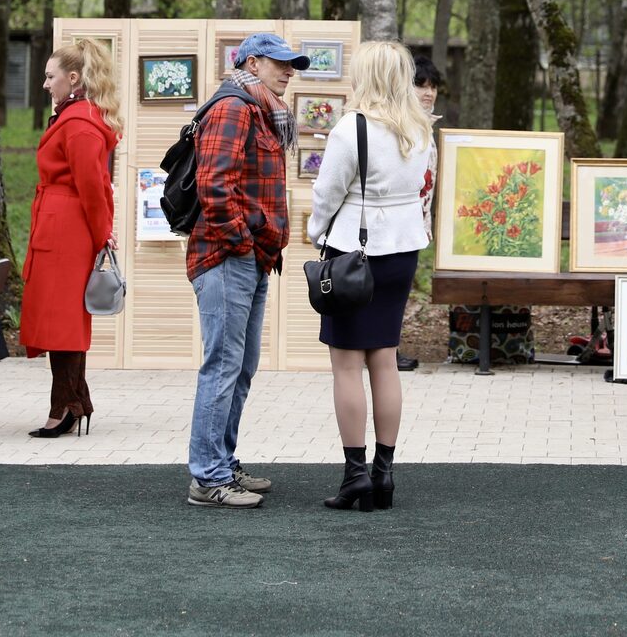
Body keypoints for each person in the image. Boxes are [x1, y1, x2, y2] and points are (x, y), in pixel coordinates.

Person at [307, 42, 436, 511]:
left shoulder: (351, 128)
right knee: (384, 359)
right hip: (402, 252)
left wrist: (314, 232)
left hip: (353, 253)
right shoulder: (419, 128)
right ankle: (384, 473)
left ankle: (354, 473)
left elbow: (327, 193)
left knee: (346, 364)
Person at [186, 31, 308, 508]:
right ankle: (208, 477)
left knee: (240, 367)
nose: (289, 71)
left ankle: (223, 462)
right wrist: (242, 242)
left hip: (250, 258)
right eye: (281, 62)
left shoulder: (260, 109)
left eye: (292, 64)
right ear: (253, 63)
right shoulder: (234, 106)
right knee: (223, 366)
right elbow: (214, 185)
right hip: (227, 258)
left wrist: (255, 249)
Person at [19, 38, 122, 436]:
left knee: (63, 321)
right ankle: (75, 401)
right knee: (63, 319)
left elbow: (93, 187)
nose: (45, 84)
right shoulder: (78, 117)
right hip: (63, 224)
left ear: (73, 78)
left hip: (66, 229)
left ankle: (65, 406)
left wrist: (102, 234)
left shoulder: (79, 123)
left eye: (50, 76)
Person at [394, 54, 445, 373]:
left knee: (402, 288)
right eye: (420, 85)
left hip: (416, 223)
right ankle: (385, 349)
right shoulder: (403, 127)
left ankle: (388, 346)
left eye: (433, 86)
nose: (428, 93)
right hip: (397, 222)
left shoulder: (425, 125)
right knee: (390, 289)